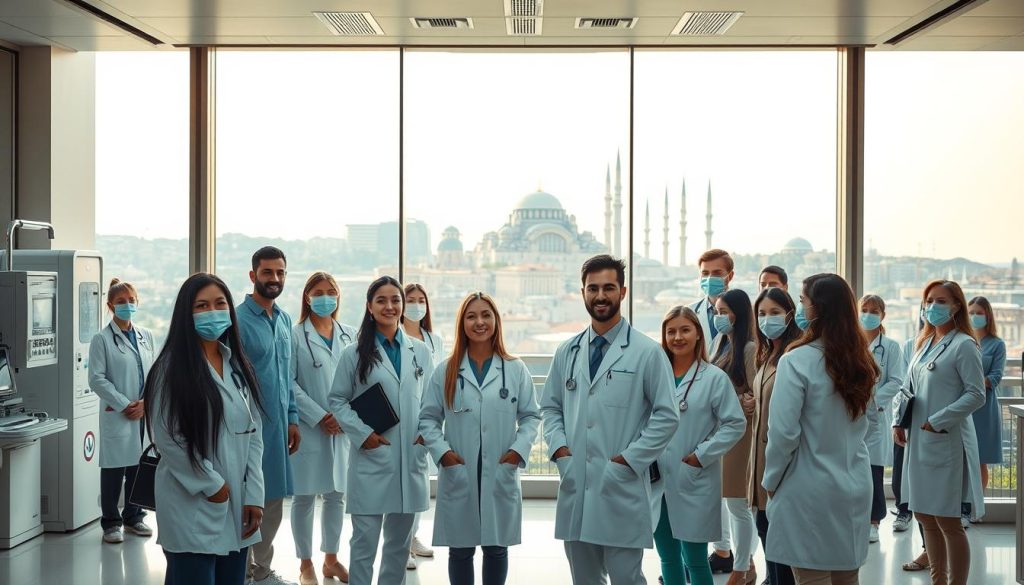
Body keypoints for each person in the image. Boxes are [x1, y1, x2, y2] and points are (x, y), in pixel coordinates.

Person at [541, 254, 678, 585]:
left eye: (608, 288)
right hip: (577, 482)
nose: (600, 296)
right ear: (583, 292)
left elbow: (666, 416)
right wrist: (561, 451)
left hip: (621, 485)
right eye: (593, 288)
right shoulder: (567, 351)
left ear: (623, 292)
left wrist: (629, 461)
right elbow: (550, 407)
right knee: (584, 579)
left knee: (625, 578)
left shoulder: (647, 352)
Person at [145, 273, 265, 585]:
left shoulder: (236, 365)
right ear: (186, 314)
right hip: (194, 502)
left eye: (219, 303)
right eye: (202, 306)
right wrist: (213, 486)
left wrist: (254, 494)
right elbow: (168, 439)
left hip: (238, 504)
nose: (213, 311)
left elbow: (254, 435)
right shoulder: (169, 369)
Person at [762, 273, 878, 585]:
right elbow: (868, 425)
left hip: (808, 488)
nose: (800, 309)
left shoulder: (797, 361)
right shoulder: (861, 361)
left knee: (811, 577)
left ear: (818, 309)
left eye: (803, 302)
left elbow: (783, 434)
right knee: (846, 576)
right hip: (854, 484)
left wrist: (771, 481)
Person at [419, 292, 540, 585]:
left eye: (486, 315)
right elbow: (427, 419)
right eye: (471, 316)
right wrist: (444, 454)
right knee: (460, 550)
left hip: (500, 467)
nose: (479, 322)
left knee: (496, 548)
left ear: (496, 321)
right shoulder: (446, 370)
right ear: (462, 323)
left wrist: (517, 451)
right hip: (459, 468)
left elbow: (531, 416)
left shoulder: (514, 368)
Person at [329, 276, 434, 585]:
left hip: (410, 459)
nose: (390, 306)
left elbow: (431, 403)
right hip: (373, 457)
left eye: (396, 300)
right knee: (364, 545)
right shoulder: (353, 353)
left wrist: (423, 437)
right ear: (369, 307)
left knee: (399, 548)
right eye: (382, 300)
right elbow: (337, 400)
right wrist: (363, 434)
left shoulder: (420, 352)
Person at [893, 280, 985, 585]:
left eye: (941, 301)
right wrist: (897, 421)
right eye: (929, 300)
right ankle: (937, 581)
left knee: (947, 521)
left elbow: (976, 394)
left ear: (957, 305)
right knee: (925, 517)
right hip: (919, 441)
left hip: (944, 442)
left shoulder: (964, 345)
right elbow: (907, 388)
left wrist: (939, 419)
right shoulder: (924, 343)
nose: (933, 306)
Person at [654, 306, 746, 585]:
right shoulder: (654, 374)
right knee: (667, 556)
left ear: (698, 335)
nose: (677, 337)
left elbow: (735, 423)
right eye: (671, 331)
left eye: (685, 330)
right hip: (656, 477)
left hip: (693, 475)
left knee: (694, 558)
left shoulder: (713, 378)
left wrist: (701, 455)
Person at [236, 246, 300, 585]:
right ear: (253, 276)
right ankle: (241, 569)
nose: (274, 279)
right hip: (247, 429)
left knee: (274, 499)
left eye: (280, 273)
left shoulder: (285, 319)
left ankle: (261, 568)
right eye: (267, 273)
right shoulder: (237, 320)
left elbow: (287, 375)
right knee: (249, 499)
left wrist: (293, 417)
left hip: (278, 429)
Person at [289, 272, 357, 585]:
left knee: (336, 497)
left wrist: (344, 416)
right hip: (309, 428)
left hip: (342, 428)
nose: (325, 297)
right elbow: (288, 383)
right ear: (307, 297)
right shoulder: (294, 335)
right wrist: (319, 416)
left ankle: (331, 559)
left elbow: (360, 381)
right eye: (318, 292)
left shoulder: (350, 335)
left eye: (331, 291)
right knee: (304, 497)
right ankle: (306, 564)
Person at [88, 278, 157, 544]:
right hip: (119, 413)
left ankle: (133, 517)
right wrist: (123, 403)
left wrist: (146, 402)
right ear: (110, 306)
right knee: (114, 471)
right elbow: (96, 378)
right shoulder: (101, 339)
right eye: (121, 302)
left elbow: (155, 373)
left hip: (142, 412)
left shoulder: (147, 336)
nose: (127, 305)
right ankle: (110, 523)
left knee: (138, 467)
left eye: (131, 301)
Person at [748, 286, 802, 585]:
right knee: (764, 528)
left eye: (774, 313)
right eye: (761, 314)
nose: (766, 320)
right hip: (760, 458)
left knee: (778, 539)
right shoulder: (768, 353)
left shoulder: (793, 355)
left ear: (790, 315)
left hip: (781, 464)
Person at [709, 290, 759, 585]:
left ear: (738, 314)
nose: (718, 317)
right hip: (721, 433)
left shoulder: (750, 348)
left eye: (724, 311)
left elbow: (756, 393)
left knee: (739, 505)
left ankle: (741, 569)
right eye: (716, 310)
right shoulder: (719, 343)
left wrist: (743, 401)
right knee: (728, 503)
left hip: (740, 436)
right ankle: (745, 565)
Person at [401, 282, 444, 565]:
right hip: (399, 420)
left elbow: (438, 379)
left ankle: (413, 537)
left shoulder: (434, 340)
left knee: (420, 482)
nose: (416, 305)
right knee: (400, 483)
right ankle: (400, 544)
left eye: (421, 300)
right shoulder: (395, 337)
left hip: (427, 419)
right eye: (410, 299)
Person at [859, 294, 906, 544]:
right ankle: (855, 519)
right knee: (853, 470)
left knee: (873, 472)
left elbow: (897, 380)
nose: (868, 314)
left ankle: (874, 521)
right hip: (852, 415)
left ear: (882, 315)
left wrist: (873, 399)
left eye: (874, 310)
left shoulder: (890, 347)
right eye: (864, 309)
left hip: (875, 416)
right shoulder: (851, 344)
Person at [967, 296, 1006, 500]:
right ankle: (959, 506)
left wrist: (971, 381)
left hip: (984, 409)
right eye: (971, 312)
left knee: (979, 459)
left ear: (988, 315)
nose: (974, 316)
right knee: (961, 458)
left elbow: (996, 377)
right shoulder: (963, 340)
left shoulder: (997, 345)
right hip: (961, 406)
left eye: (979, 313)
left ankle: (976, 505)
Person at [689, 249, 735, 358]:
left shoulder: (745, 311)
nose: (710, 278)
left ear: (730, 276)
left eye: (717, 273)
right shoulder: (690, 312)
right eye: (705, 273)